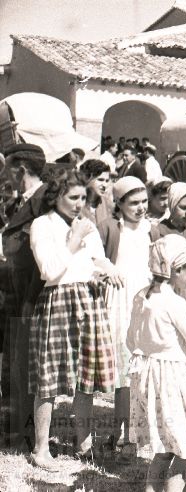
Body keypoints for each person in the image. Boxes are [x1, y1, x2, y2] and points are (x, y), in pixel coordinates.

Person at [27, 169, 120, 470]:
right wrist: (74, 240)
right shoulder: (42, 225)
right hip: (58, 301)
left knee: (86, 378)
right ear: (56, 197)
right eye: (73, 197)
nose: (80, 203)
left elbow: (96, 259)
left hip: (88, 300)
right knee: (49, 379)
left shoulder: (86, 225)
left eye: (83, 197)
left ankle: (84, 445)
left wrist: (108, 268)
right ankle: (41, 449)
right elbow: (49, 271)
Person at [127, 234, 186, 492]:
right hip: (170, 381)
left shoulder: (142, 296)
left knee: (163, 449)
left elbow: (131, 340)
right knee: (184, 451)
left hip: (145, 375)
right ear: (177, 270)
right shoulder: (174, 303)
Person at [97, 176, 159, 457]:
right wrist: (108, 269)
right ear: (119, 204)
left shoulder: (152, 230)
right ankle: (120, 432)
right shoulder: (110, 228)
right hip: (120, 303)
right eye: (133, 202)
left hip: (146, 301)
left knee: (145, 369)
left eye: (144, 201)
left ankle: (140, 434)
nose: (141, 207)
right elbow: (94, 258)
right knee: (124, 371)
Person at [0, 144, 47, 449]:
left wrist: (31, 300)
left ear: (21, 169)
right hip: (15, 294)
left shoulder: (43, 201)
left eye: (9, 170)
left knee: (27, 370)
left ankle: (25, 435)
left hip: (31, 297)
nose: (6, 177)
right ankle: (14, 431)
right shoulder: (25, 201)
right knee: (15, 367)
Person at [79, 159, 114, 224]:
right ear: (87, 178)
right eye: (100, 180)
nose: (105, 185)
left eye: (107, 181)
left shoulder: (109, 206)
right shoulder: (76, 205)